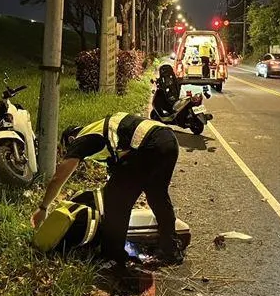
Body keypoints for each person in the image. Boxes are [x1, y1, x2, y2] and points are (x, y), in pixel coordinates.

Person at [30, 112, 183, 265]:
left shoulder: (83, 138)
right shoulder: (105, 134)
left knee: (116, 203)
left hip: (148, 146)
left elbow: (58, 178)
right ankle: (170, 250)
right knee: (158, 196)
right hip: (168, 141)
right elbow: (121, 172)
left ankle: (113, 257)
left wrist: (43, 207)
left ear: (70, 140)